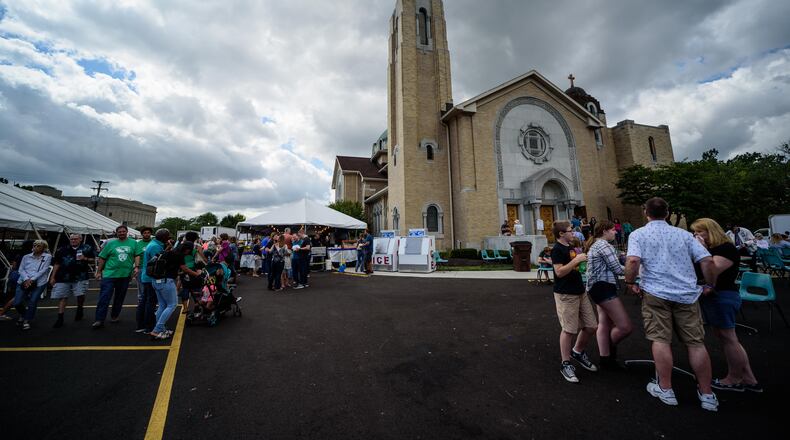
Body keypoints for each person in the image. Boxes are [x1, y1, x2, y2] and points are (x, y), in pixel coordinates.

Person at [624, 197, 719, 411]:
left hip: (656, 293)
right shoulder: (684, 235)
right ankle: (707, 394)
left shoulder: (639, 234)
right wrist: (710, 285)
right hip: (686, 294)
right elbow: (708, 261)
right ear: (667, 214)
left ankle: (665, 389)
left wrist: (630, 282)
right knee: (695, 343)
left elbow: (632, 261)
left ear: (646, 212)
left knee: (660, 340)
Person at [691, 218, 762, 393]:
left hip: (722, 296)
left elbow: (712, 271)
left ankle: (734, 378)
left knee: (729, 339)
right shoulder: (712, 250)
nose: (696, 235)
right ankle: (749, 378)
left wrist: (701, 250)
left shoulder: (725, 249)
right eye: (694, 232)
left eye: (699, 232)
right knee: (726, 338)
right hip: (717, 296)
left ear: (710, 231)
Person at [551, 220, 598, 383]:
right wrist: (576, 261)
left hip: (580, 291)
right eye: (570, 230)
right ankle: (566, 363)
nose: (574, 232)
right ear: (561, 234)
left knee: (592, 326)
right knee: (569, 330)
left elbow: (574, 267)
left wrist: (580, 262)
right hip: (566, 294)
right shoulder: (556, 249)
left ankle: (577, 351)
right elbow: (559, 272)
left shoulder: (571, 246)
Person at [584, 220, 633, 369]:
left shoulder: (596, 245)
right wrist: (638, 271)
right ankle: (608, 347)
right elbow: (618, 269)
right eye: (612, 230)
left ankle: (606, 359)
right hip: (603, 287)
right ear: (604, 231)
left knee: (605, 323)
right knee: (625, 327)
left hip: (597, 286)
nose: (615, 232)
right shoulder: (604, 246)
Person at [93, 225, 141, 329]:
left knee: (119, 297)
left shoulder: (133, 243)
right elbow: (102, 257)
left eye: (124, 231)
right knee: (104, 297)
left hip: (125, 275)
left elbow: (137, 255)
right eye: (120, 232)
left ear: (127, 232)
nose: (122, 233)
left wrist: (136, 267)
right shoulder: (110, 243)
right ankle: (99, 319)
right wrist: (98, 272)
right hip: (109, 275)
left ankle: (114, 316)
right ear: (116, 233)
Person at [50, 234, 95, 328]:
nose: (73, 240)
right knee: (62, 297)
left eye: (75, 239)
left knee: (80, 295)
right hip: (63, 277)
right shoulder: (62, 249)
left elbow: (94, 260)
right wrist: (53, 277)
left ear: (80, 239)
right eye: (71, 239)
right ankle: (60, 318)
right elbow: (57, 263)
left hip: (80, 276)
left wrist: (85, 258)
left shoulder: (87, 248)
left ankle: (80, 308)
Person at [13, 240, 52, 330]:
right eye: (34, 245)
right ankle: (24, 314)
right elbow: (21, 269)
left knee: (32, 301)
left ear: (43, 248)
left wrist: (32, 279)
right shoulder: (26, 257)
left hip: (39, 283)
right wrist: (26, 279)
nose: (35, 247)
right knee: (17, 302)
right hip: (23, 281)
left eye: (38, 246)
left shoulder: (47, 257)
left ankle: (27, 320)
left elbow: (43, 270)